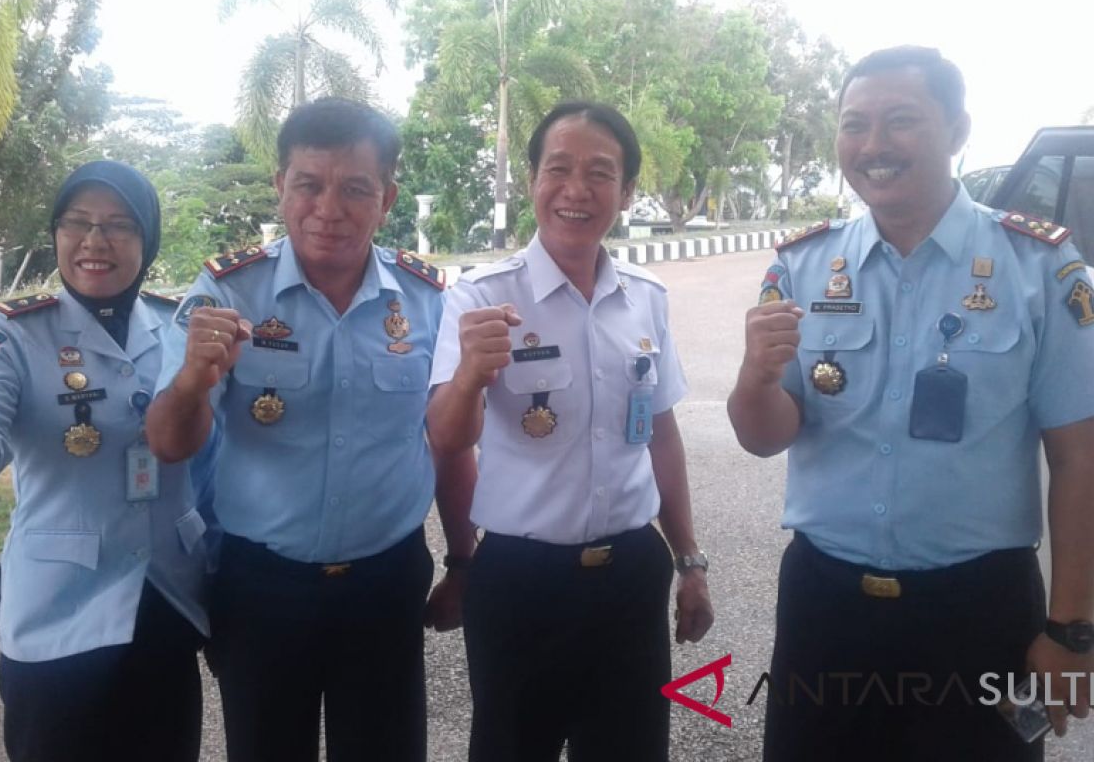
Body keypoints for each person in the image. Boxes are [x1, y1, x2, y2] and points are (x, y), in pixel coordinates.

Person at [727, 45, 1094, 761]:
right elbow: (764, 437)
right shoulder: (802, 265)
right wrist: (755, 377)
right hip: (825, 605)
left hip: (982, 610)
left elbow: (1081, 460)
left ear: (958, 130)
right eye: (853, 124)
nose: (872, 145)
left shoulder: (1040, 269)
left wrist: (1071, 627)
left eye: (901, 121)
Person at [145, 97, 475, 762]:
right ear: (280, 188)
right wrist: (191, 381)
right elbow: (169, 442)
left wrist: (464, 559)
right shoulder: (227, 294)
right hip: (261, 587)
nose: (329, 208)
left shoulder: (428, 300)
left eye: (355, 188)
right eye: (309, 185)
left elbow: (446, 442)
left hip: (384, 584)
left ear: (386, 198)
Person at [427, 101, 714, 762]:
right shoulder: (478, 298)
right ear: (532, 179)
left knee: (631, 748)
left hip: (630, 574)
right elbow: (446, 436)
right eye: (558, 168)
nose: (576, 190)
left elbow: (661, 433)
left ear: (628, 191)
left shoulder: (646, 297)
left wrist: (688, 560)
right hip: (521, 579)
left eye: (600, 173)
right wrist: (471, 372)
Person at [0, 161, 213, 762]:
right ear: (55, 234)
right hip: (60, 611)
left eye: (118, 225)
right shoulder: (18, 335)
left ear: (147, 238)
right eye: (76, 223)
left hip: (165, 599)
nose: (94, 241)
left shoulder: (177, 326)